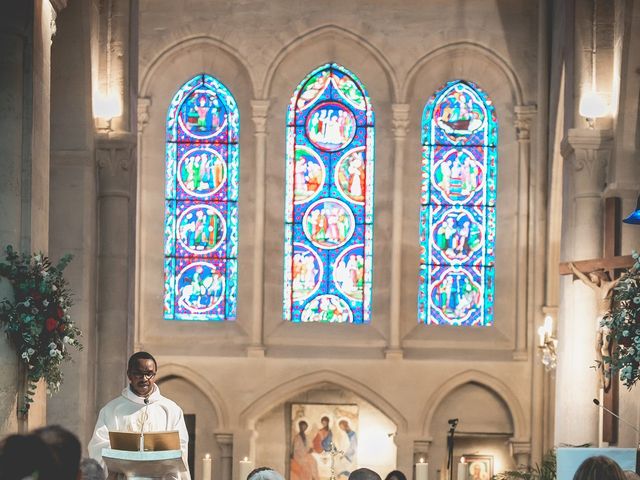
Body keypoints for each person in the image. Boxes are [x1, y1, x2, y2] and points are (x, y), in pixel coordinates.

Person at [88, 351, 190, 479]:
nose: (144, 379)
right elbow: (98, 447)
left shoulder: (171, 410)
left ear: (155, 375)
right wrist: (129, 459)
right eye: (138, 374)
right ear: (129, 375)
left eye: (149, 374)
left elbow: (181, 448)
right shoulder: (111, 410)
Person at [568, 263, 620, 390]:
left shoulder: (608, 286)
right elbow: (584, 280)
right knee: (596, 347)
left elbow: (622, 279)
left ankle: (607, 377)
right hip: (599, 319)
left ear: (599, 276)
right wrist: (573, 269)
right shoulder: (596, 289)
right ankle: (600, 376)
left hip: (607, 319)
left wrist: (637, 264)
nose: (591, 279)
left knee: (605, 348)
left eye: (593, 277)